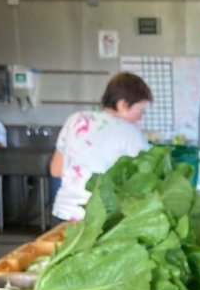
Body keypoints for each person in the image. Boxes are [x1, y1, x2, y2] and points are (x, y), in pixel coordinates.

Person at [49, 72, 153, 223]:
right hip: (99, 220)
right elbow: (146, 180)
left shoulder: (75, 119)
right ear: (122, 104)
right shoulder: (131, 133)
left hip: (63, 212)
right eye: (139, 111)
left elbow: (56, 170)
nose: (141, 118)